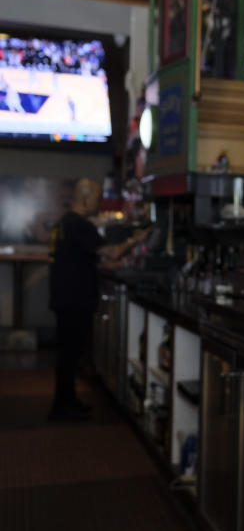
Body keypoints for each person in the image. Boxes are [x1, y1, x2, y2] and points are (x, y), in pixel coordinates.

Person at [48, 178, 148, 420]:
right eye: (97, 198)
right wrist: (137, 238)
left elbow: (81, 255)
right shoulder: (80, 225)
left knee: (68, 355)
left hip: (64, 296)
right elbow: (110, 251)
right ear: (85, 198)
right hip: (75, 299)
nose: (100, 203)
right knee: (71, 354)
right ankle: (62, 407)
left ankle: (66, 401)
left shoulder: (64, 223)